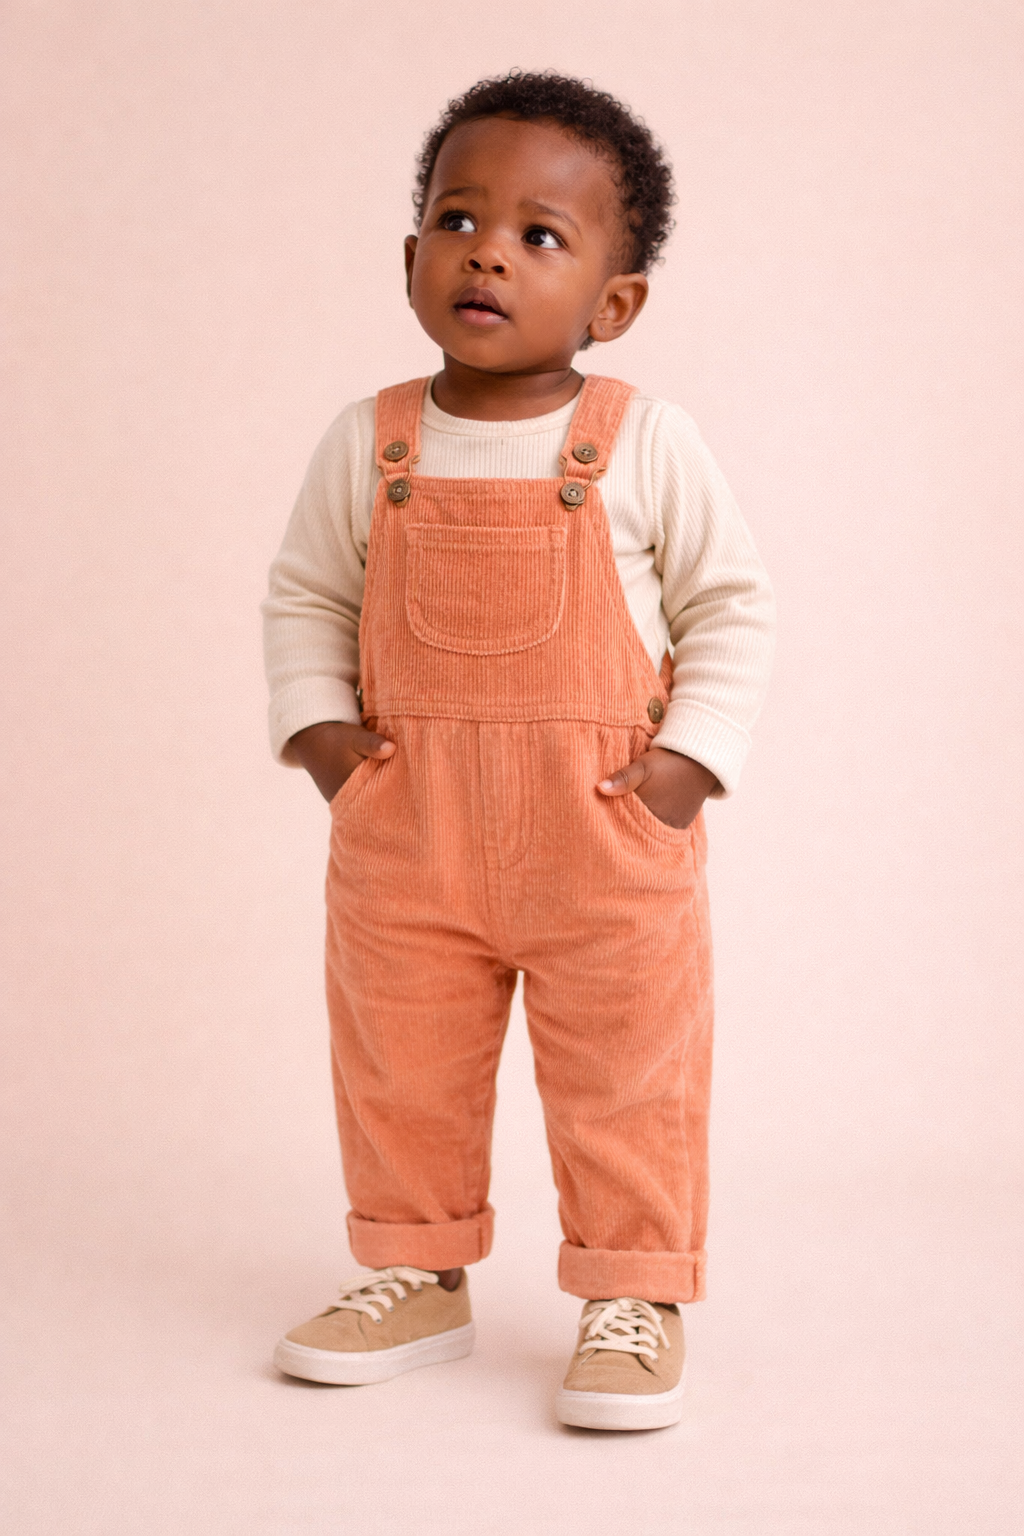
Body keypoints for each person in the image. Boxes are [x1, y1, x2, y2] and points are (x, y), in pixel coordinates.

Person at [262, 71, 774, 1431]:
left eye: (543, 235)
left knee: (628, 1067)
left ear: (615, 303)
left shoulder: (642, 442)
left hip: (603, 833)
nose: (490, 248)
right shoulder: (370, 443)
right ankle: (416, 1271)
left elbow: (733, 603)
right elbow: (307, 592)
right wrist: (325, 740)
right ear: (413, 256)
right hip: (405, 830)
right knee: (398, 1059)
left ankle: (633, 1287)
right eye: (458, 216)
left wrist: (685, 769)